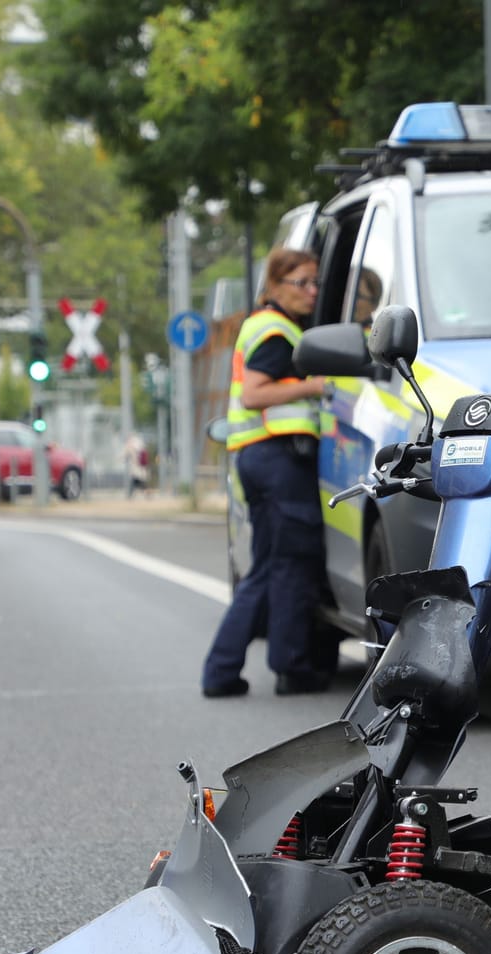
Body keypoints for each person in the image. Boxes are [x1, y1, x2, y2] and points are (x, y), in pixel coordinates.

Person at [202, 247, 340, 697]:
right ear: (274, 285)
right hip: (278, 459)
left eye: (314, 282)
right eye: (301, 282)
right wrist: (317, 385)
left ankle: (221, 672)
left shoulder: (265, 326)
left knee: (267, 567)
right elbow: (255, 394)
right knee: (292, 565)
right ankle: (291, 667)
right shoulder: (277, 331)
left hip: (258, 459)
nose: (311, 291)